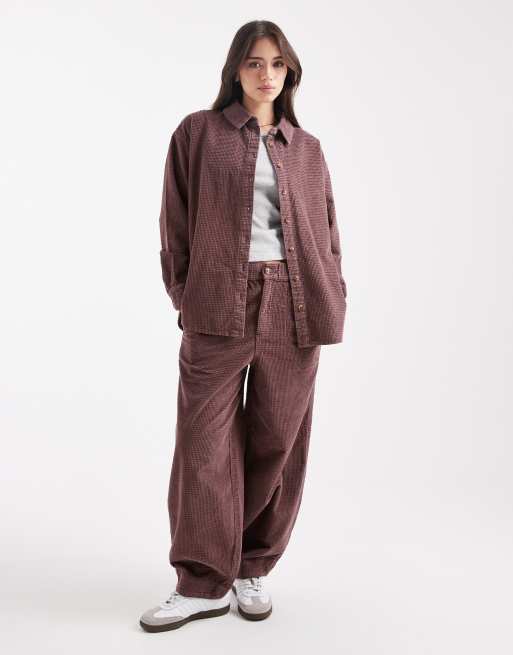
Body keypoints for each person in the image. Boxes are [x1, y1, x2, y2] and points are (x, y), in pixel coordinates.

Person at [140, 19, 347, 632]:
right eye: (255, 63)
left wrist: (333, 293)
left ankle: (251, 566)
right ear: (236, 69)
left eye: (277, 64)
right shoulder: (198, 133)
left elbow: (327, 231)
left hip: (295, 304)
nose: (266, 75)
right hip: (216, 302)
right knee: (202, 444)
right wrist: (183, 292)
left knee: (277, 441)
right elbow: (175, 218)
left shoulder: (307, 148)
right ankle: (202, 582)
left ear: (290, 72)